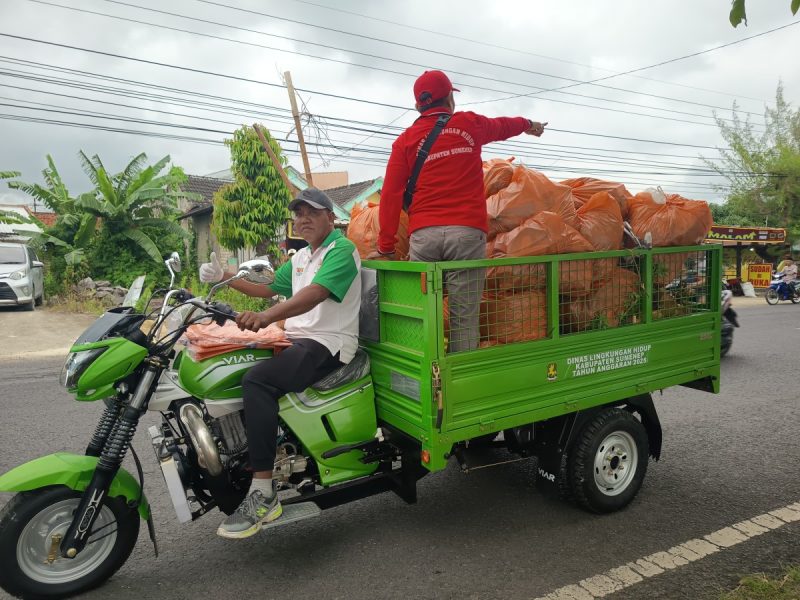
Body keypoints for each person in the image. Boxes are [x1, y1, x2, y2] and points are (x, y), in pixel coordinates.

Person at [198, 187, 361, 539]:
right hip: (295, 338)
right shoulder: (301, 257)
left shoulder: (342, 251)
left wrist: (267, 317)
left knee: (257, 381)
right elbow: (269, 286)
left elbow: (313, 294)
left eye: (312, 213)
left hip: (328, 343)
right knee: (231, 366)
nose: (303, 220)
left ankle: (263, 490)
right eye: (299, 214)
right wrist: (224, 275)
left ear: (330, 217)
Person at [370, 69, 547, 352]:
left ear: (418, 106)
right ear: (450, 99)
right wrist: (529, 123)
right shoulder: (468, 124)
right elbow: (503, 125)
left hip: (423, 236)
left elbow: (390, 195)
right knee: (464, 318)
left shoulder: (405, 141)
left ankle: (427, 374)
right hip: (466, 234)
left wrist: (386, 245)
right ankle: (457, 385)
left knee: (424, 315)